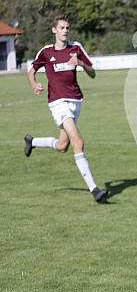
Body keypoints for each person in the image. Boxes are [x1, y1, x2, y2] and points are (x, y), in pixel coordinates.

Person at [25, 14, 108, 202]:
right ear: (54, 30)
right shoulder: (46, 52)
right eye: (62, 28)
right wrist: (34, 85)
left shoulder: (76, 48)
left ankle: (33, 141)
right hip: (58, 103)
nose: (65, 31)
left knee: (63, 146)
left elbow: (92, 73)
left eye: (67, 28)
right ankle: (94, 190)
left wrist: (80, 63)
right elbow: (31, 72)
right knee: (78, 142)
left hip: (76, 101)